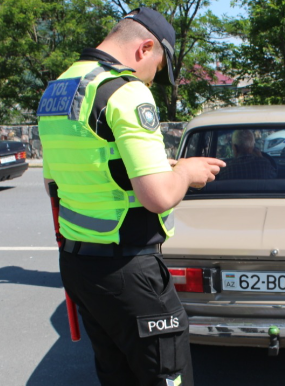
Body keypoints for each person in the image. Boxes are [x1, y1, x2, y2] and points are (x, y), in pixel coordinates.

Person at [36, 7, 224, 386]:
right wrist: (185, 172)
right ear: (145, 48)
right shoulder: (126, 91)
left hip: (79, 265)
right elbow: (157, 198)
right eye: (157, 66)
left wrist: (155, 164)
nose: (152, 80)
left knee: (116, 373)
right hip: (128, 270)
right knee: (166, 375)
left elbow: (62, 179)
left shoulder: (61, 89)